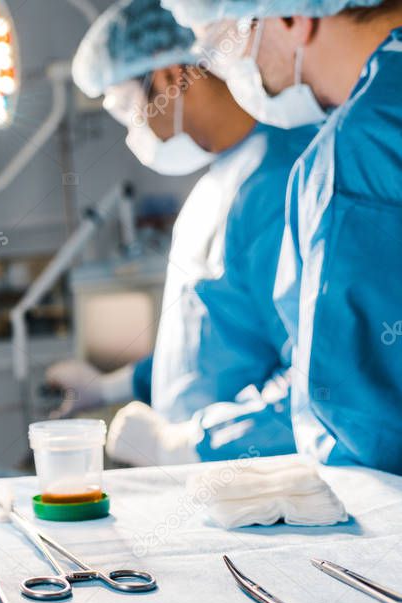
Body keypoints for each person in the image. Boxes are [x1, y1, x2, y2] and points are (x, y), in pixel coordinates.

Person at [49, 0, 314, 466]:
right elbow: (215, 337)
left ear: (171, 78)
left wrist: (190, 445)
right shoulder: (216, 186)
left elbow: (320, 377)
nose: (133, 128)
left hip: (261, 486)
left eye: (127, 105)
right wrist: (109, 386)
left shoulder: (281, 181)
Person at [160, 0, 402, 474]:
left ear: (293, 17)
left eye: (225, 43)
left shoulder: (357, 151)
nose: (229, 72)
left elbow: (364, 427)